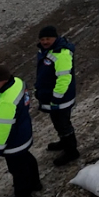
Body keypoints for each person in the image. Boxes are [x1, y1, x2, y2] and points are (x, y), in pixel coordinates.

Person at [0, 66, 41, 197]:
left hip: (14, 141)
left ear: (5, 81)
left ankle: (23, 195)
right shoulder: (17, 82)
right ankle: (35, 183)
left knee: (17, 169)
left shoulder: (6, 102)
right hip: (24, 131)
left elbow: (3, 128)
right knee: (27, 158)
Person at [36, 25, 80, 166]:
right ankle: (64, 142)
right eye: (42, 39)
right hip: (53, 98)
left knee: (63, 124)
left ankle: (71, 151)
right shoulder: (47, 51)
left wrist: (56, 97)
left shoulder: (61, 54)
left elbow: (63, 78)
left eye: (48, 38)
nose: (45, 42)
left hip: (60, 100)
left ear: (55, 38)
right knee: (58, 122)